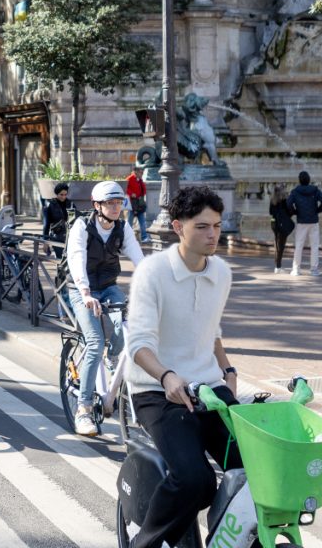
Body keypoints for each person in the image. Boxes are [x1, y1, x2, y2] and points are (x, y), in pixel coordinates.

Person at [123, 186, 239, 548]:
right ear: (178, 227)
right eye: (202, 226)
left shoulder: (221, 272)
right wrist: (166, 375)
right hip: (156, 390)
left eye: (217, 226)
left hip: (209, 388)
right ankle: (147, 544)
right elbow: (138, 343)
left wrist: (228, 370)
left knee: (256, 465)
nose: (213, 235)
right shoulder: (153, 272)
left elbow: (210, 329)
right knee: (195, 480)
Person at [66, 180, 145, 436]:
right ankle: (84, 410)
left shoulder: (122, 229)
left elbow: (139, 260)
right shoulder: (82, 226)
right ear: (97, 205)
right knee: (95, 343)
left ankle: (114, 362)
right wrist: (86, 293)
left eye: (118, 202)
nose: (115, 207)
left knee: (127, 332)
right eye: (110, 203)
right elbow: (76, 258)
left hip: (109, 286)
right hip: (81, 289)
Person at [287, 170, 322, 276]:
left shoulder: (295, 191)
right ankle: (314, 270)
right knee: (314, 246)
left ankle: (296, 269)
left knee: (299, 245)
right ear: (309, 180)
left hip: (301, 222)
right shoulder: (315, 190)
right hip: (313, 221)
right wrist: (317, 211)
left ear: (299, 180)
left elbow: (288, 204)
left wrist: (295, 212)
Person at [269, 184, 295, 273]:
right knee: (281, 246)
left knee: (277, 244)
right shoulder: (285, 201)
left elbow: (270, 212)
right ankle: (278, 267)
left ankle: (277, 266)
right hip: (282, 224)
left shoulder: (272, 200)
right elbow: (290, 212)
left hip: (274, 224)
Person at [42, 181, 72, 257]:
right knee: (60, 259)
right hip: (56, 237)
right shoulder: (50, 205)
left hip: (70, 237)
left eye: (65, 194)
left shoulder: (70, 204)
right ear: (57, 194)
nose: (63, 197)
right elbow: (46, 225)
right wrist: (45, 241)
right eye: (61, 194)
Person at [126, 165, 152, 244]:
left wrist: (141, 182)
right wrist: (131, 194)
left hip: (139, 204)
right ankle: (127, 238)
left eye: (142, 172)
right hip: (131, 204)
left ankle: (144, 237)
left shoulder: (140, 180)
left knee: (142, 222)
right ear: (135, 172)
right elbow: (125, 189)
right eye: (141, 172)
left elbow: (143, 191)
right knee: (129, 222)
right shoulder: (129, 179)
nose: (142, 173)